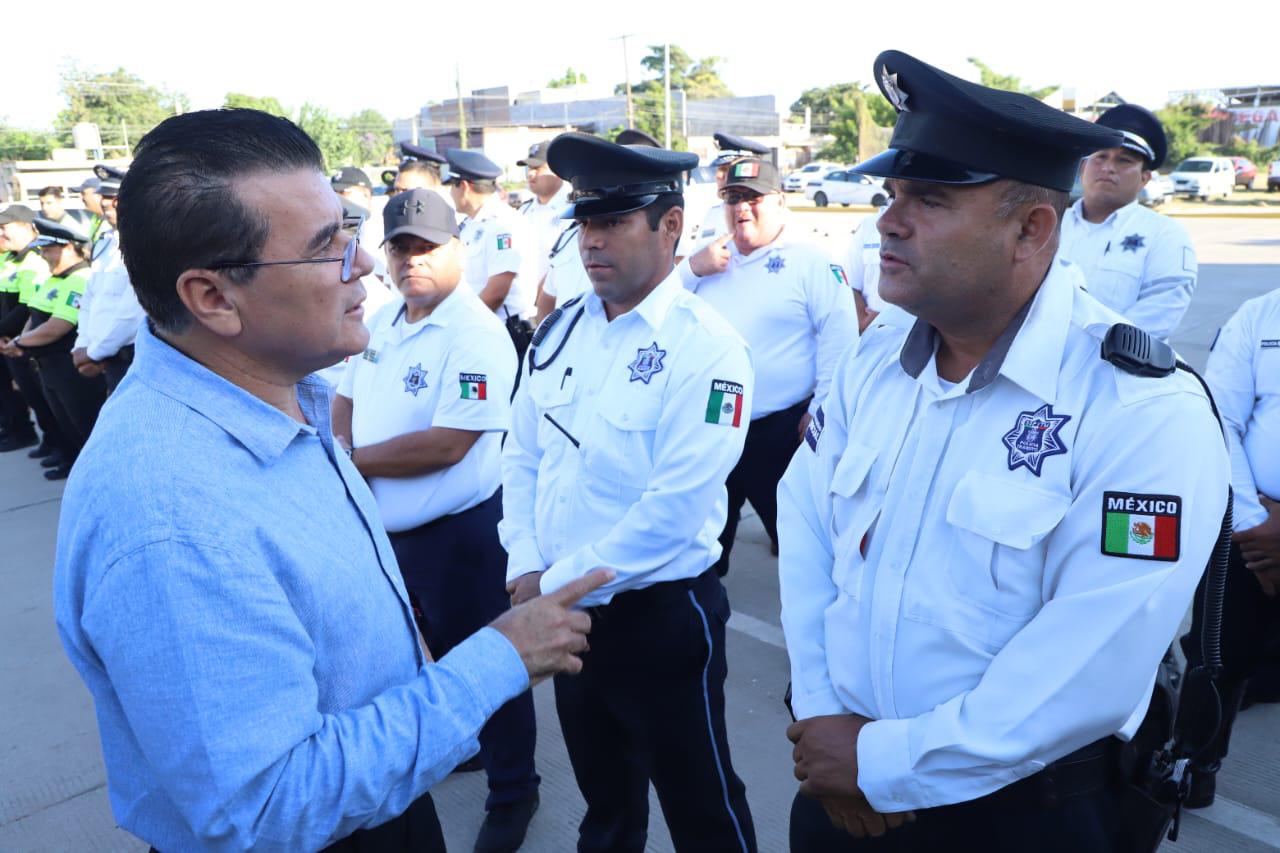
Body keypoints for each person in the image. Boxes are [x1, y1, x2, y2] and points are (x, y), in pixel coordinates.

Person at [52, 107, 608, 853]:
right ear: (213, 297)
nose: (368, 265)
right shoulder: (169, 515)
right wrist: (497, 658)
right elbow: (270, 804)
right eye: (327, 249)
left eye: (351, 232)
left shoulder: (286, 391)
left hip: (379, 806)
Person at [777, 51, 1229, 851]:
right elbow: (807, 529)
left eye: (931, 197)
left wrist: (882, 761)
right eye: (893, 193)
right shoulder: (877, 359)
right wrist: (821, 713)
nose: (889, 219)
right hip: (838, 784)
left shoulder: (1139, 406)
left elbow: (1090, 662)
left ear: (1032, 228)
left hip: (1020, 814)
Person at [501, 131, 757, 853]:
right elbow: (521, 454)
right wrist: (523, 560)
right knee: (606, 805)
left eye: (613, 221)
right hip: (567, 616)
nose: (592, 241)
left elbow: (673, 513)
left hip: (660, 617)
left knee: (702, 804)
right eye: (585, 222)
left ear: (670, 225)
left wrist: (548, 584)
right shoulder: (556, 334)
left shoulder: (707, 347)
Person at [332, 189, 540, 852]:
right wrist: (344, 453)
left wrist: (354, 463)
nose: (412, 260)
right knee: (432, 658)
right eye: (401, 247)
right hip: (391, 534)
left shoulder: (475, 332)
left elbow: (450, 441)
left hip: (460, 537)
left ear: (457, 249)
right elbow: (344, 396)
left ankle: (515, 789)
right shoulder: (386, 319)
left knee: (489, 660)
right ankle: (470, 742)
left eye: (427, 247)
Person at [678, 156, 857, 573]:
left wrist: (823, 406)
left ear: (778, 201)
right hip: (712, 426)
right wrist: (688, 270)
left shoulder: (810, 259)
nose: (742, 207)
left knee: (801, 549)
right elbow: (661, 311)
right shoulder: (708, 259)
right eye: (733, 197)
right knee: (701, 549)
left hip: (777, 431)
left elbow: (840, 337)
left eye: (753, 198)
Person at [1178, 287, 1280, 807]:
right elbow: (1220, 420)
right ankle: (1191, 767)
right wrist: (1256, 526)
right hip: (1253, 529)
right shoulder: (1259, 315)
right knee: (1217, 655)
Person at [1058, 104, 1196, 341]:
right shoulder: (1051, 226)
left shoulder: (1165, 235)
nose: (1108, 167)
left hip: (1117, 371)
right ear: (1083, 168)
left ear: (1144, 178)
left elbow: (1157, 316)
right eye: (1100, 157)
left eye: (1124, 160)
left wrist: (1078, 349)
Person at [2, 217, 106, 479]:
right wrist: (21, 343)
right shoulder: (54, 279)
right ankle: (78, 468)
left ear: (70, 247)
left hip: (70, 369)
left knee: (85, 426)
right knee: (66, 425)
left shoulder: (80, 278)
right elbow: (33, 316)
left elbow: (57, 326)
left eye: (50, 249)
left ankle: (97, 477)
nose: (45, 255)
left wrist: (19, 343)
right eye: (43, 249)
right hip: (47, 366)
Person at [445, 148, 536, 357]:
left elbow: (496, 292)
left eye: (452, 186)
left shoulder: (503, 224)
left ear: (465, 187)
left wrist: (458, 324)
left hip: (499, 331)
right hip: (476, 328)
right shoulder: (471, 224)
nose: (451, 193)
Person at [0, 204, 67, 460]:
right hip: (11, 338)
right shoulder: (13, 258)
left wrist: (12, 336)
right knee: (33, 396)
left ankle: (61, 445)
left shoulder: (34, 259)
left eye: (6, 227)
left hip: (25, 339)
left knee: (45, 398)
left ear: (27, 227)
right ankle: (51, 441)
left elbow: (27, 309)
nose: (2, 233)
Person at [73, 166, 145, 392]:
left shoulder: (144, 243)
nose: (105, 203)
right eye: (103, 195)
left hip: (131, 357)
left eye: (112, 197)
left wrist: (94, 353)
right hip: (105, 357)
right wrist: (82, 345)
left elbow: (132, 311)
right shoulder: (105, 242)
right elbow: (90, 300)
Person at [515, 140, 570, 285]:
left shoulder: (574, 210)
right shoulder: (523, 211)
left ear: (557, 171)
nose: (531, 174)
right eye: (529, 168)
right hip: (527, 299)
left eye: (538, 168)